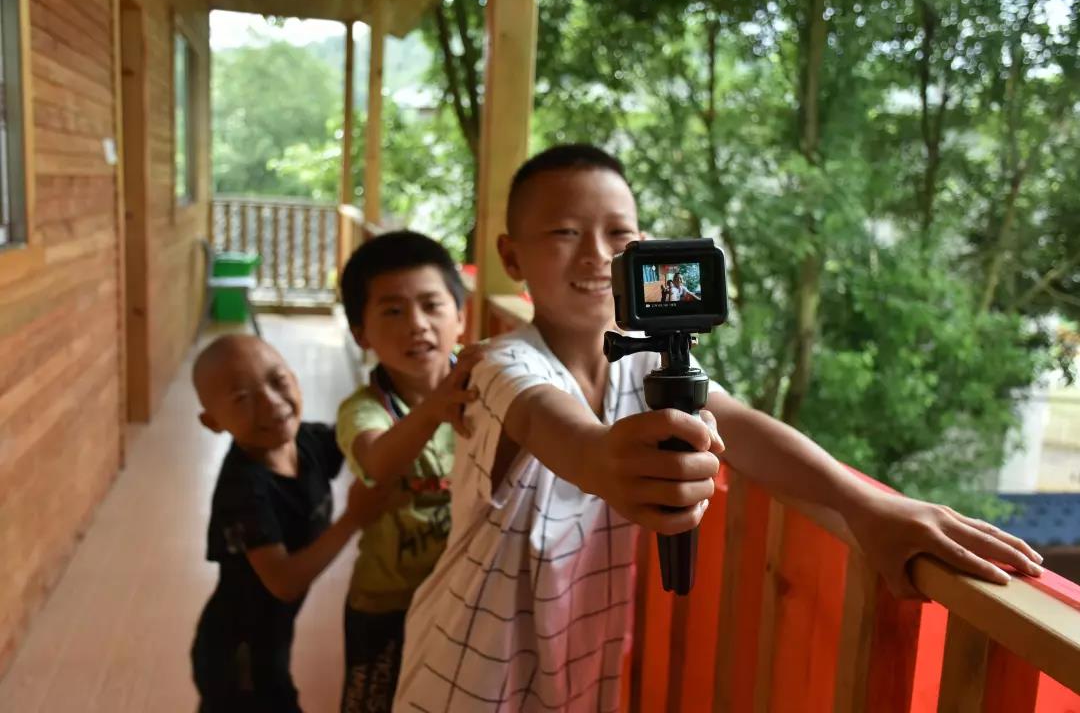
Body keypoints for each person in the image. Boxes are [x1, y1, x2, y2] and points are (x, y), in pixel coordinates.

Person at [393, 144, 1044, 712]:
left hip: (577, 659)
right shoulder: (497, 364)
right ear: (511, 255)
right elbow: (565, 435)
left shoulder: (647, 360)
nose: (594, 253)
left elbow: (741, 427)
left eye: (618, 233)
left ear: (640, 253)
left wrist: (867, 507)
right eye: (564, 232)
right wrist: (613, 464)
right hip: (465, 666)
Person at [189, 334, 395, 713]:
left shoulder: (308, 442)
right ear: (213, 422)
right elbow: (283, 581)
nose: (271, 402)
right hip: (237, 653)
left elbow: (369, 446)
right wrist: (352, 519)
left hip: (272, 637)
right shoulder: (243, 490)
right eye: (242, 398)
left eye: (278, 380)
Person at [335, 231, 482, 712]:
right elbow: (376, 462)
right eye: (393, 311)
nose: (417, 325)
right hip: (386, 604)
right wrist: (435, 408)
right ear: (361, 333)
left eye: (432, 305)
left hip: (464, 596)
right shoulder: (365, 409)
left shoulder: (488, 385)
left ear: (460, 317)